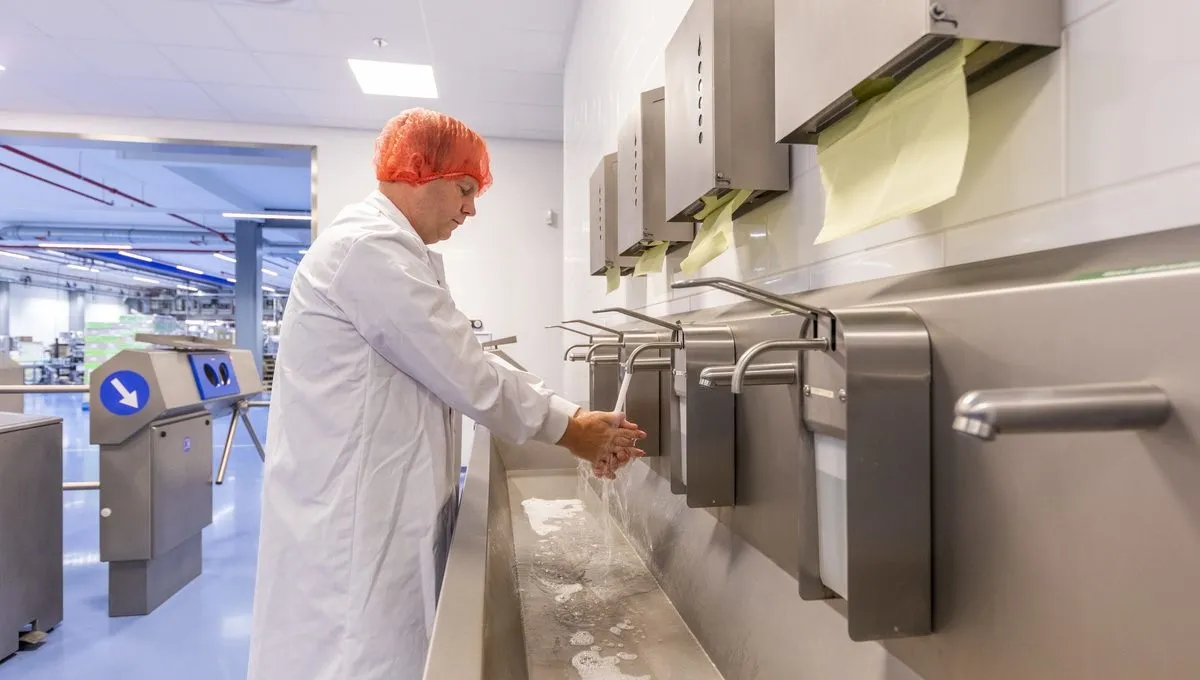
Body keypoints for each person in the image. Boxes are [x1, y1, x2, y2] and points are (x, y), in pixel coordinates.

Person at [246, 108, 645, 680]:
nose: (470, 208)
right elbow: (466, 371)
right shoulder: (368, 248)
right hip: (353, 522)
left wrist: (566, 418)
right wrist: (572, 427)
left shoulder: (394, 252)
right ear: (418, 172)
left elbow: (460, 356)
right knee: (357, 655)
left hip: (378, 499)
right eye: (463, 189)